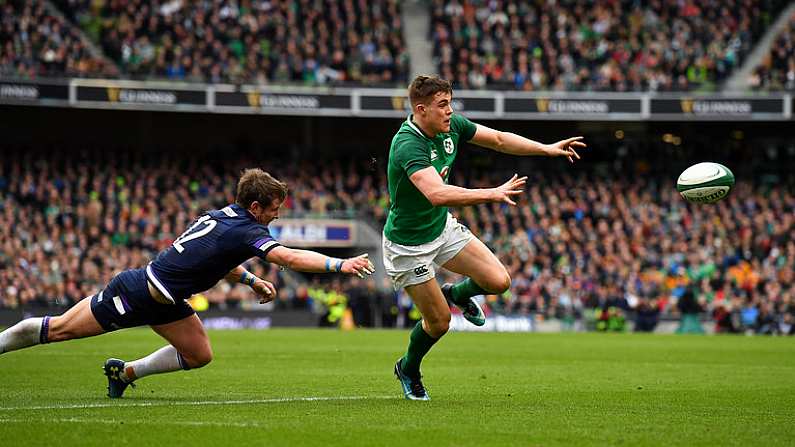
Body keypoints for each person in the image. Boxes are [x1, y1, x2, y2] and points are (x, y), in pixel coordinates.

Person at [0, 168, 375, 398]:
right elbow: (288, 257)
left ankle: (124, 372)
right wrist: (341, 264)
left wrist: (248, 279)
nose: (277, 216)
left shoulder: (224, 218)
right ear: (256, 207)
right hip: (134, 294)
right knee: (60, 330)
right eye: (274, 208)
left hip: (163, 300)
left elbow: (214, 260)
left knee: (199, 355)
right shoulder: (247, 229)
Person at [383, 75, 586, 400]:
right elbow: (436, 193)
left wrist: (545, 149)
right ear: (421, 109)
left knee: (498, 281)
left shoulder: (452, 128)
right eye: (442, 105)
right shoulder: (408, 143)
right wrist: (491, 193)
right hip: (409, 246)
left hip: (440, 229)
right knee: (439, 323)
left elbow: (500, 140)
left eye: (450, 102)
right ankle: (408, 368)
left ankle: (458, 292)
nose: (450, 111)